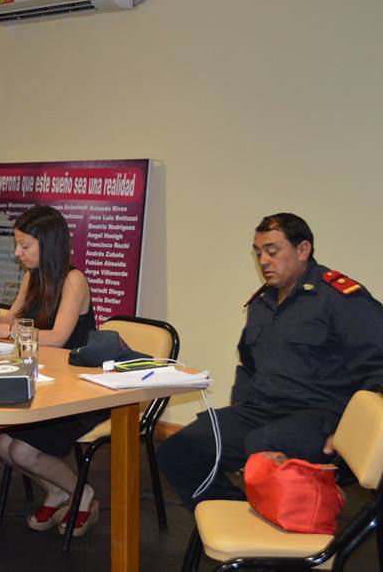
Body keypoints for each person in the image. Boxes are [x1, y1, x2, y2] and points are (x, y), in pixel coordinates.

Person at [157, 212, 383, 511]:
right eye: (258, 252)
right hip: (264, 411)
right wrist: (239, 408)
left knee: (262, 445)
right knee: (178, 449)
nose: (263, 260)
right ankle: (238, 515)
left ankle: (295, 527)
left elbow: (378, 368)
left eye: (272, 251)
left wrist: (351, 432)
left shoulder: (340, 298)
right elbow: (249, 367)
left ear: (303, 250)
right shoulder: (262, 303)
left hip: (323, 415)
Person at [0, 205, 102, 537]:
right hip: (45, 384)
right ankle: (57, 491)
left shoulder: (74, 280)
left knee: (21, 449)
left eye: (25, 246)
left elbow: (57, 338)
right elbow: (12, 319)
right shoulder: (32, 276)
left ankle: (84, 494)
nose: (17, 253)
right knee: (1, 445)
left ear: (47, 244)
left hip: (79, 390)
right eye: (17, 245)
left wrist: (3, 331)